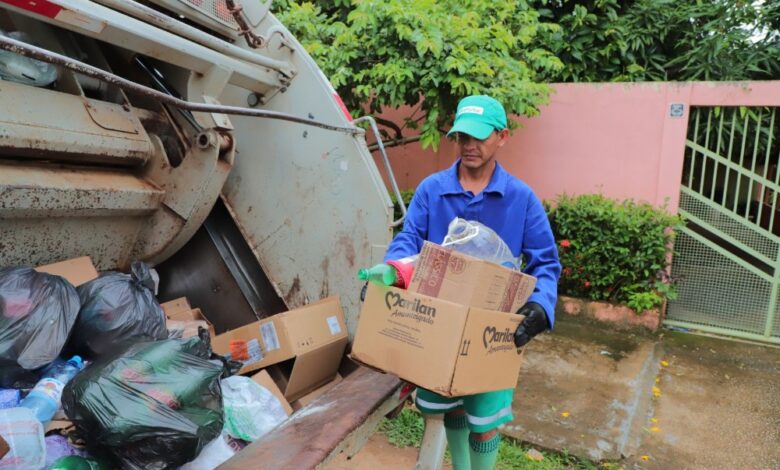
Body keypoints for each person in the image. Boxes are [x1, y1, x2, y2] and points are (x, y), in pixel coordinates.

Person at [383, 95, 561, 469]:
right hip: (438, 323)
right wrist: (392, 270)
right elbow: (408, 240)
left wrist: (541, 305)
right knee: (449, 405)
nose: (469, 144)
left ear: (502, 137)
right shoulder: (433, 190)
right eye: (463, 135)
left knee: (485, 419)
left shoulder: (520, 199)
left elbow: (546, 262)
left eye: (479, 136)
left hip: (492, 331)